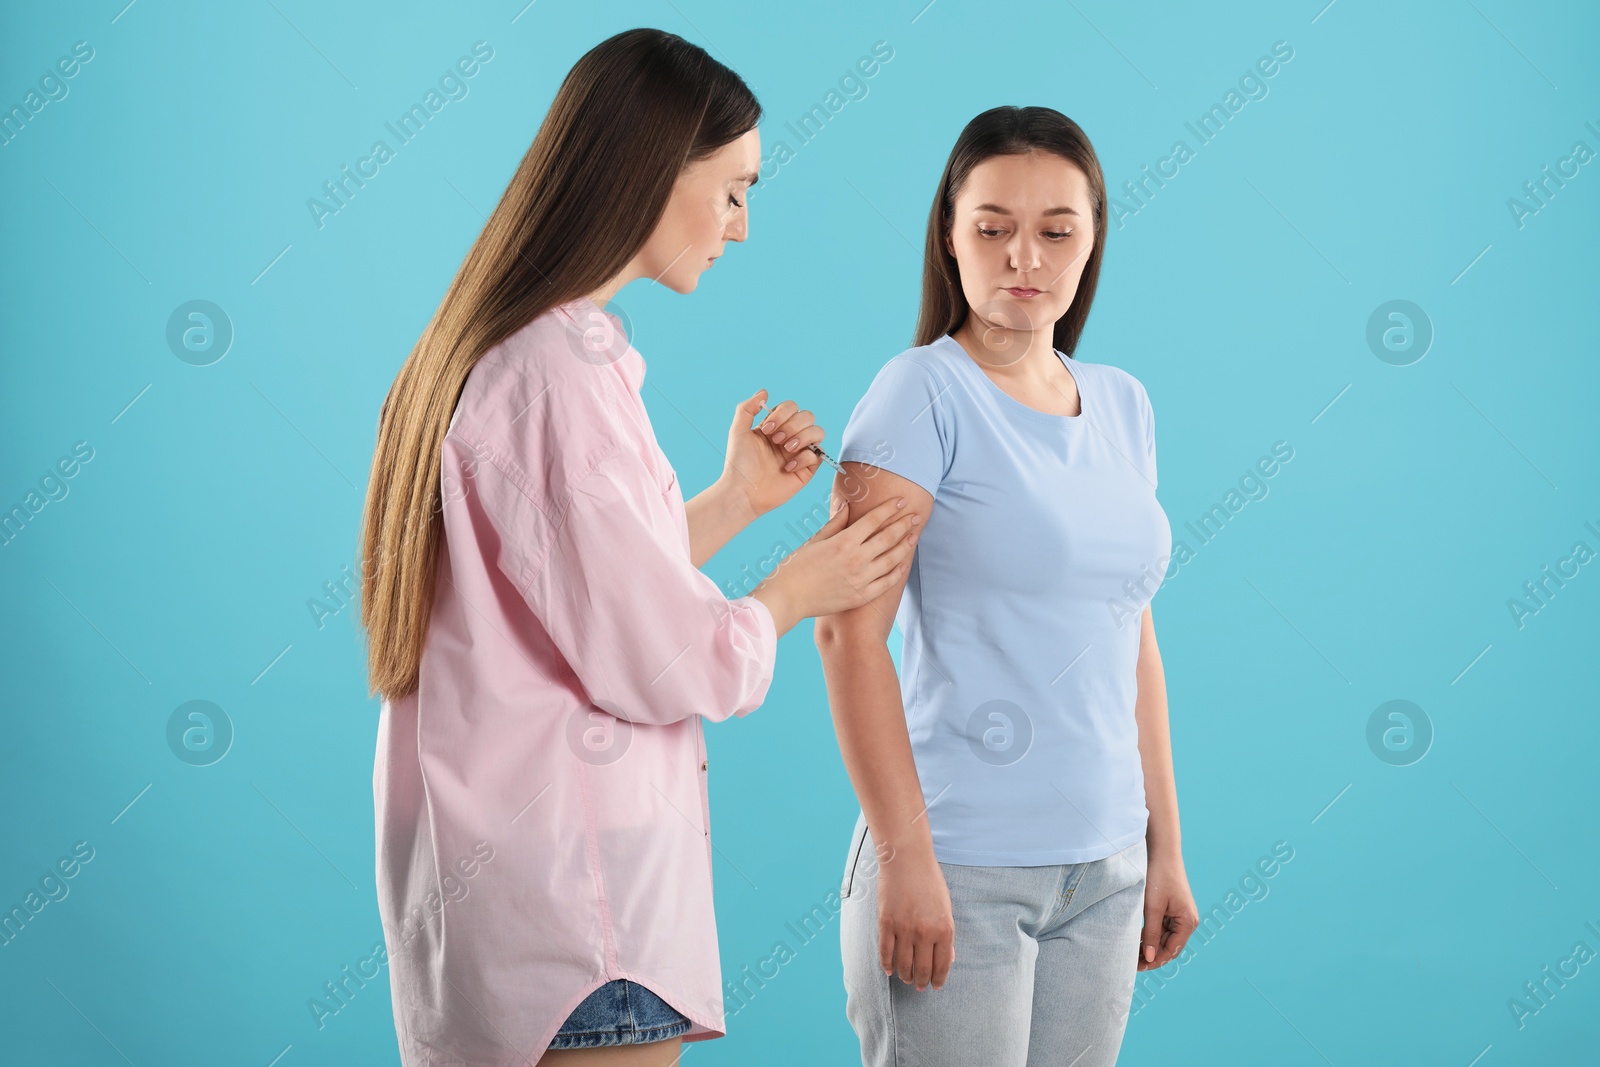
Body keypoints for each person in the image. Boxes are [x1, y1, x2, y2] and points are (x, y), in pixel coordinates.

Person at [356, 29, 919, 1067]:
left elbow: (566, 588)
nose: (742, 227)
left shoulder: (491, 350)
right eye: (735, 189)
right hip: (581, 924)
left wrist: (734, 499)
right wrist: (798, 587)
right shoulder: (556, 379)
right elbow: (662, 659)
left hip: (497, 912)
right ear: (653, 171)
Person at [817, 106, 1201, 1067]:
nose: (1023, 256)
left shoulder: (1123, 403)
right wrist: (906, 859)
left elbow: (1132, 634)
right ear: (950, 238)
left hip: (1106, 870)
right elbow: (845, 636)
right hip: (960, 863)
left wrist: (1163, 845)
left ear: (1093, 239)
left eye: (1056, 230)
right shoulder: (918, 395)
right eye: (992, 228)